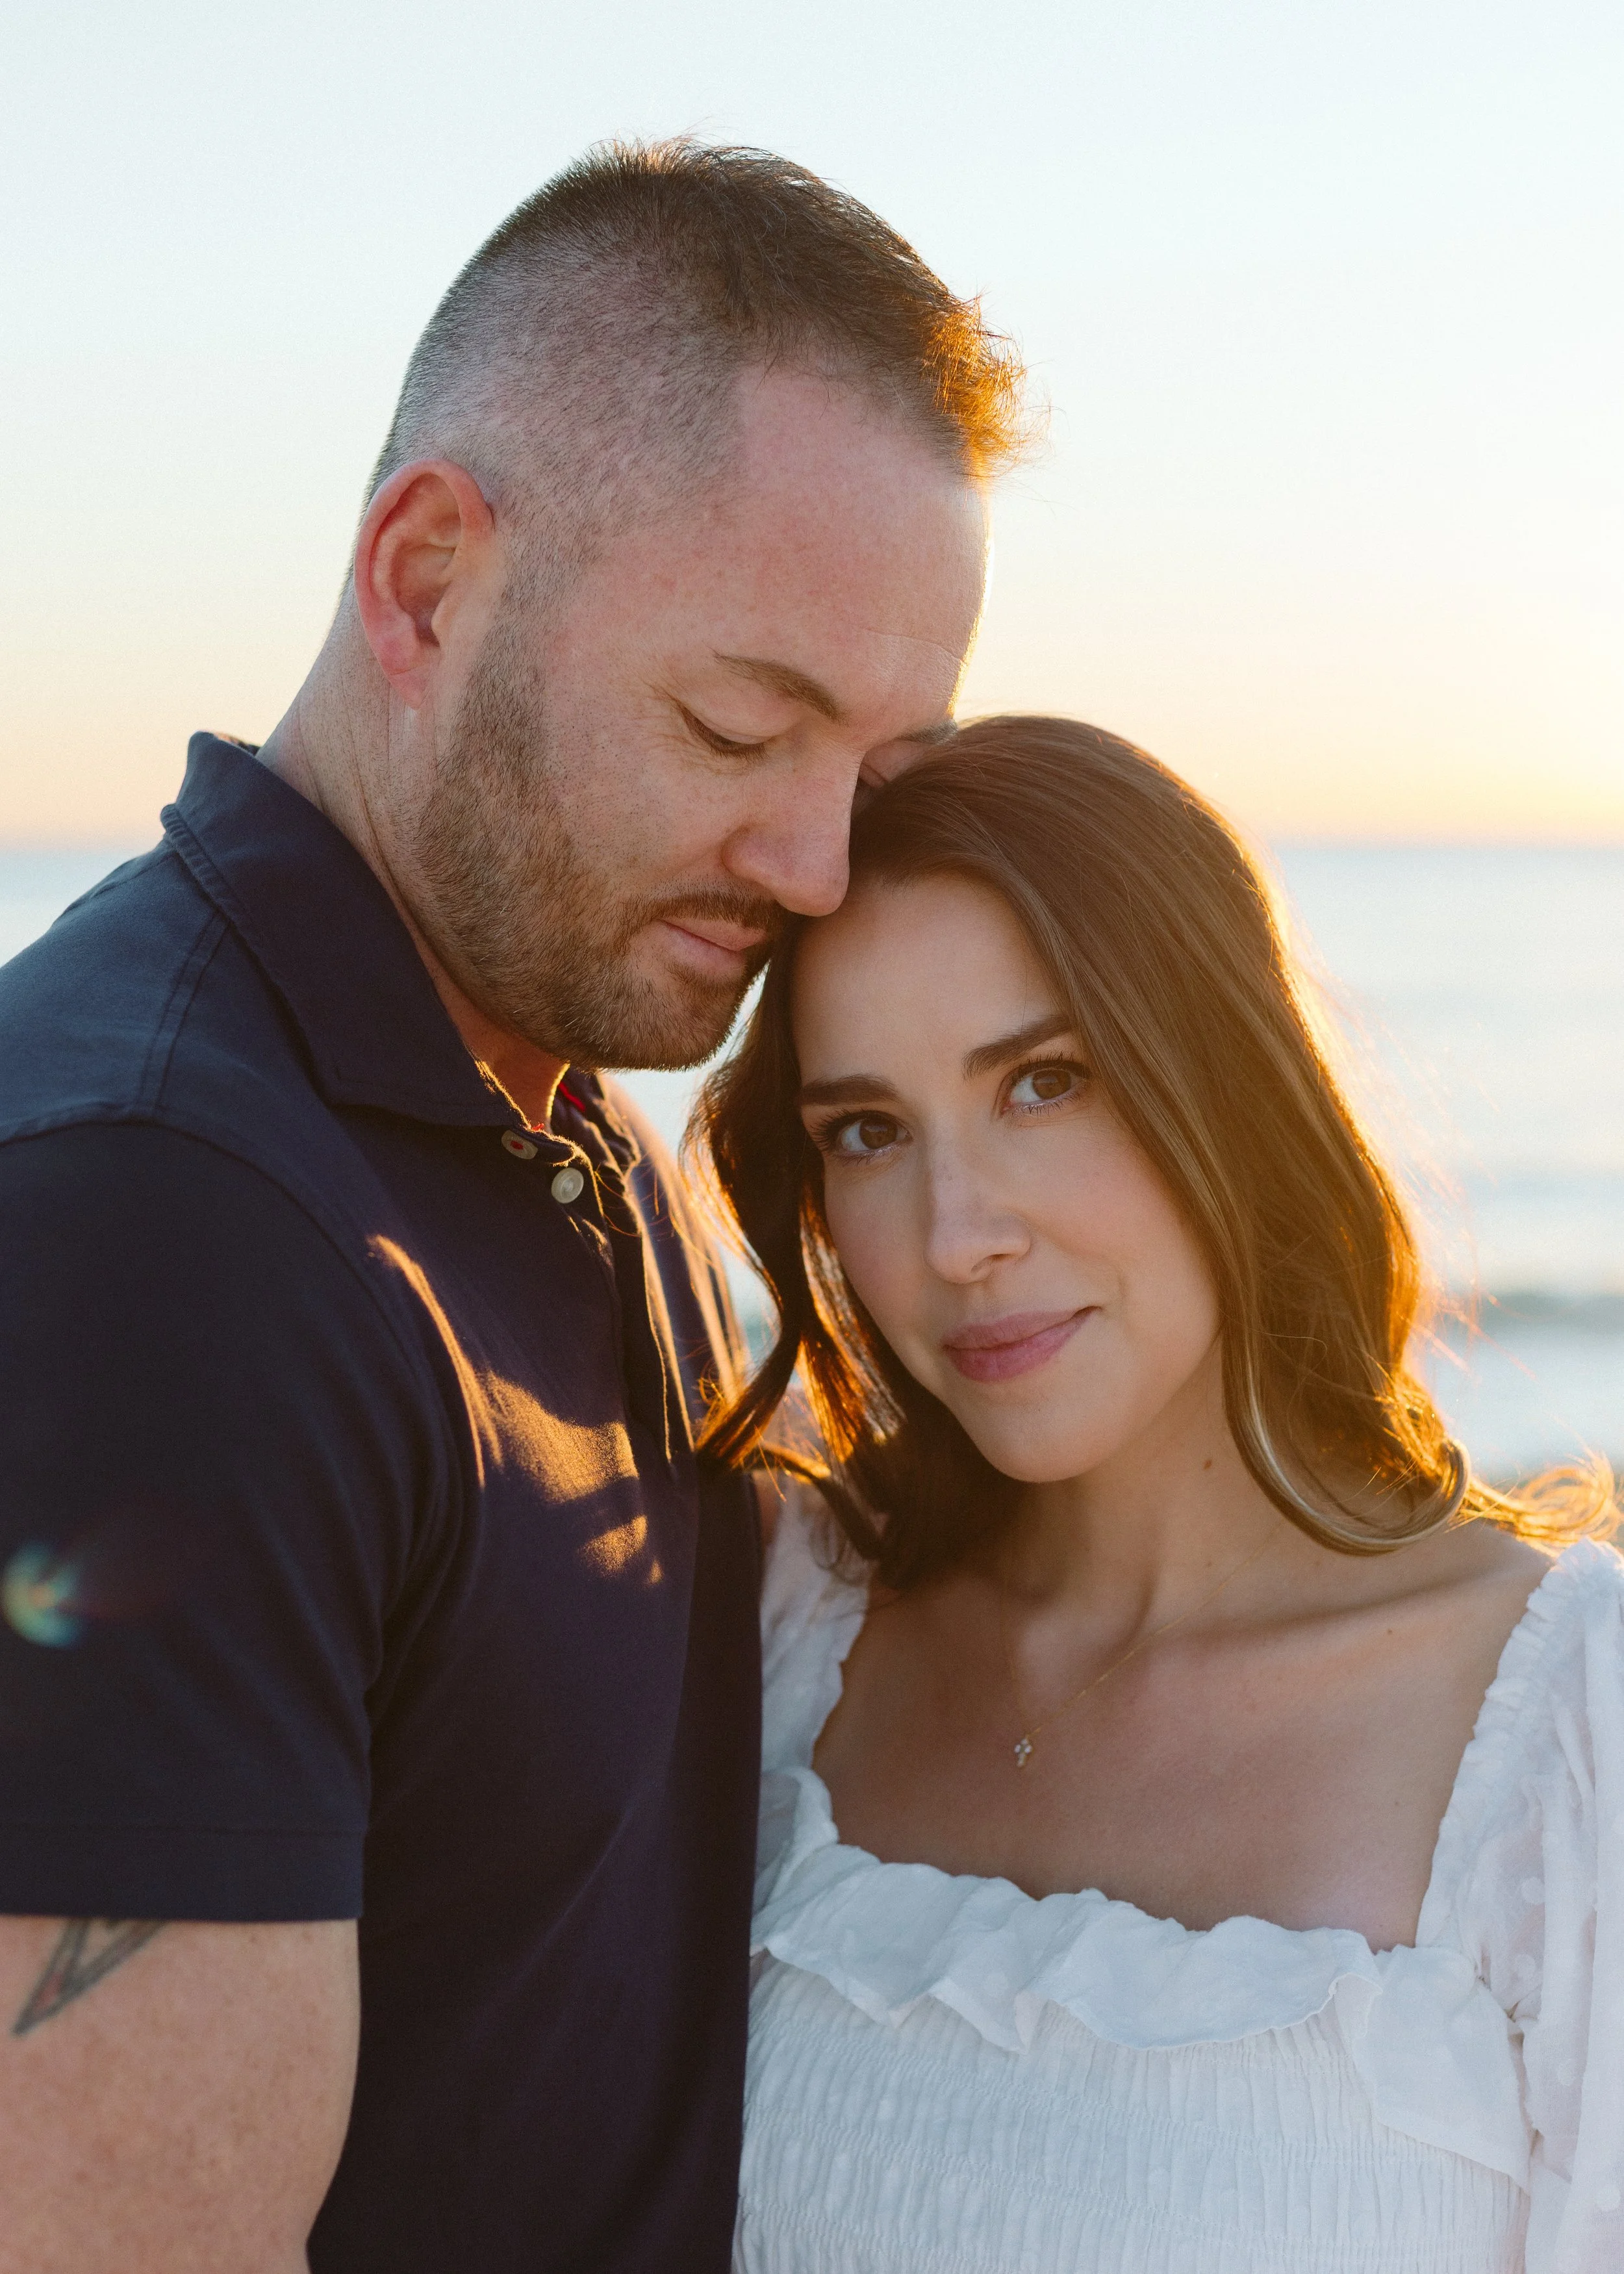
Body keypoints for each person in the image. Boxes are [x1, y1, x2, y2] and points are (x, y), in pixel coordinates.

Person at [0, 143, 1023, 2271]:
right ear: (432, 577)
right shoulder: (167, 1230)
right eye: (739, 724)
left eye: (882, 764)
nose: (822, 863)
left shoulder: (550, 1102)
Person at [699, 715, 1623, 2273]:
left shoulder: (1562, 1734)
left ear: (1223, 1084)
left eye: (1043, 1082)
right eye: (867, 1131)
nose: (955, 1232)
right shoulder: (786, 1622)